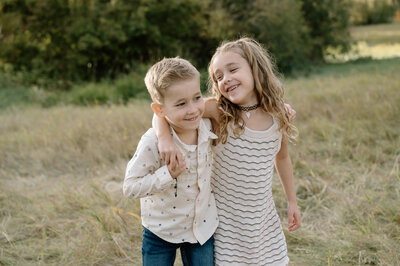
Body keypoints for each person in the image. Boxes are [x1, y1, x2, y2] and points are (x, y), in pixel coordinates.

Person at [155, 37, 301, 265]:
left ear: (255, 69)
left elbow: (282, 158)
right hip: (226, 224)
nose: (226, 79)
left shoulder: (278, 115)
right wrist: (165, 140)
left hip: (262, 220)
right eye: (219, 77)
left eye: (233, 69)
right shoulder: (220, 111)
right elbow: (163, 112)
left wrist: (292, 201)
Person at [123, 57, 219, 266]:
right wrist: (166, 174)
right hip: (160, 230)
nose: (193, 109)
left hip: (200, 228)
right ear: (159, 110)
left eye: (197, 97)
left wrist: (276, 106)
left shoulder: (207, 126)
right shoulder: (152, 142)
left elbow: (241, 107)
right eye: (181, 104)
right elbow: (129, 188)